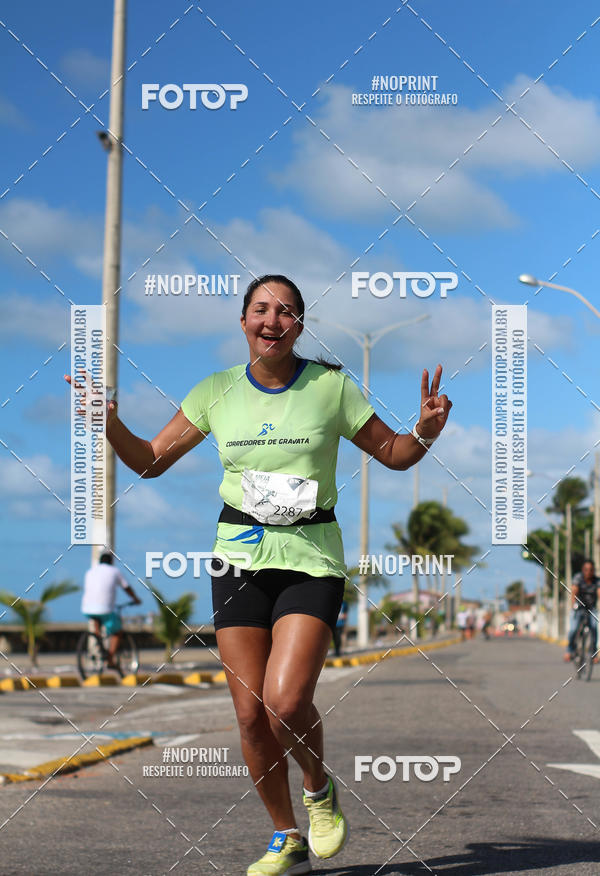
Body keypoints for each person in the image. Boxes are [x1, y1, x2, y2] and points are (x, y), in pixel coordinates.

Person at [66, 274, 452, 875]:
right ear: (243, 320)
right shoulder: (215, 391)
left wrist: (425, 428)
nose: (274, 320)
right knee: (249, 714)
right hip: (238, 557)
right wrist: (107, 423)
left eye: (288, 312)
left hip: (310, 558)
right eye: (262, 309)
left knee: (285, 702)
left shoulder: (331, 387)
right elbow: (149, 461)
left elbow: (396, 455)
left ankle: (319, 788)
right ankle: (285, 836)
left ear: (300, 325)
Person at [81, 550, 141, 672]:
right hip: (105, 608)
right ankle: (109, 659)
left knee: (96, 619)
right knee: (117, 631)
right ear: (111, 561)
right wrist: (135, 598)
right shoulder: (114, 571)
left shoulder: (90, 572)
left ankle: (98, 643)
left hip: (87, 607)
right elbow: (126, 587)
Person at [564, 559, 600, 664]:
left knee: (594, 629)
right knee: (573, 629)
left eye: (591, 570)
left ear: (593, 571)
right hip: (579, 608)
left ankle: (594, 654)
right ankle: (569, 651)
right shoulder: (578, 578)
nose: (588, 572)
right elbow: (574, 591)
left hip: (591, 609)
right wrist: (573, 605)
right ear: (582, 570)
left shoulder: (597, 581)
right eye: (586, 569)